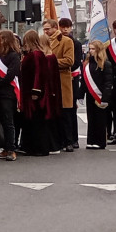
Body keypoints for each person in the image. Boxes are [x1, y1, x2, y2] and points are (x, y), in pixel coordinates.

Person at [42, 18, 75, 152]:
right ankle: (56, 141)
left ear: (55, 28)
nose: (46, 32)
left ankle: (69, 141)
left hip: (62, 80)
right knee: (53, 113)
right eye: (44, 29)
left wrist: (50, 61)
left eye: (48, 29)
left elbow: (69, 60)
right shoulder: (44, 41)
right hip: (49, 81)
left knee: (65, 113)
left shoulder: (66, 41)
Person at [0, 29, 21, 161]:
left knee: (8, 121)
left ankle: (11, 149)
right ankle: (4, 147)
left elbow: (10, 76)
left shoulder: (14, 56)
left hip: (7, 92)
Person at [19, 30, 50, 157]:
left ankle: (38, 147)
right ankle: (30, 146)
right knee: (30, 120)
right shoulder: (34, 54)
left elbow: (38, 73)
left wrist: (36, 90)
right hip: (28, 90)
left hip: (32, 91)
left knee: (35, 120)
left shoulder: (36, 55)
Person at [83, 40, 113, 150]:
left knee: (100, 120)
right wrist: (81, 95)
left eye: (93, 49)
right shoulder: (87, 64)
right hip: (90, 95)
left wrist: (105, 98)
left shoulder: (106, 63)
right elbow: (85, 82)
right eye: (90, 49)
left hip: (100, 96)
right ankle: (91, 140)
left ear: (99, 50)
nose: (90, 51)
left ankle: (100, 142)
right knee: (91, 119)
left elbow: (108, 82)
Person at [59, 18, 83, 149]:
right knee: (62, 110)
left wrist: (63, 65)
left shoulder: (76, 43)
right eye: (62, 27)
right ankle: (63, 138)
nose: (65, 29)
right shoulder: (57, 41)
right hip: (61, 78)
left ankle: (74, 139)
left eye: (67, 27)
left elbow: (75, 63)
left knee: (71, 109)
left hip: (72, 78)